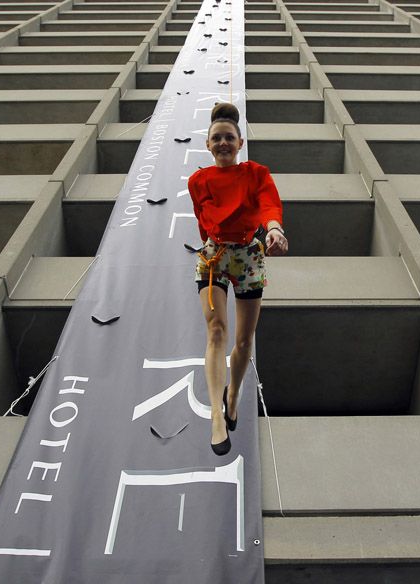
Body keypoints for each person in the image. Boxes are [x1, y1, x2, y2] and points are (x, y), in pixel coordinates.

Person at [188, 102, 288, 456]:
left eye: (229, 137)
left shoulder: (255, 173)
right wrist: (212, 243)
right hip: (214, 256)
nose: (223, 143)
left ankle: (234, 393)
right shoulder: (198, 181)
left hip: (248, 256)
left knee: (244, 341)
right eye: (217, 138)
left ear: (240, 142)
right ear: (208, 145)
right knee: (216, 331)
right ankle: (217, 414)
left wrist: (274, 228)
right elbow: (203, 222)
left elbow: (268, 204)